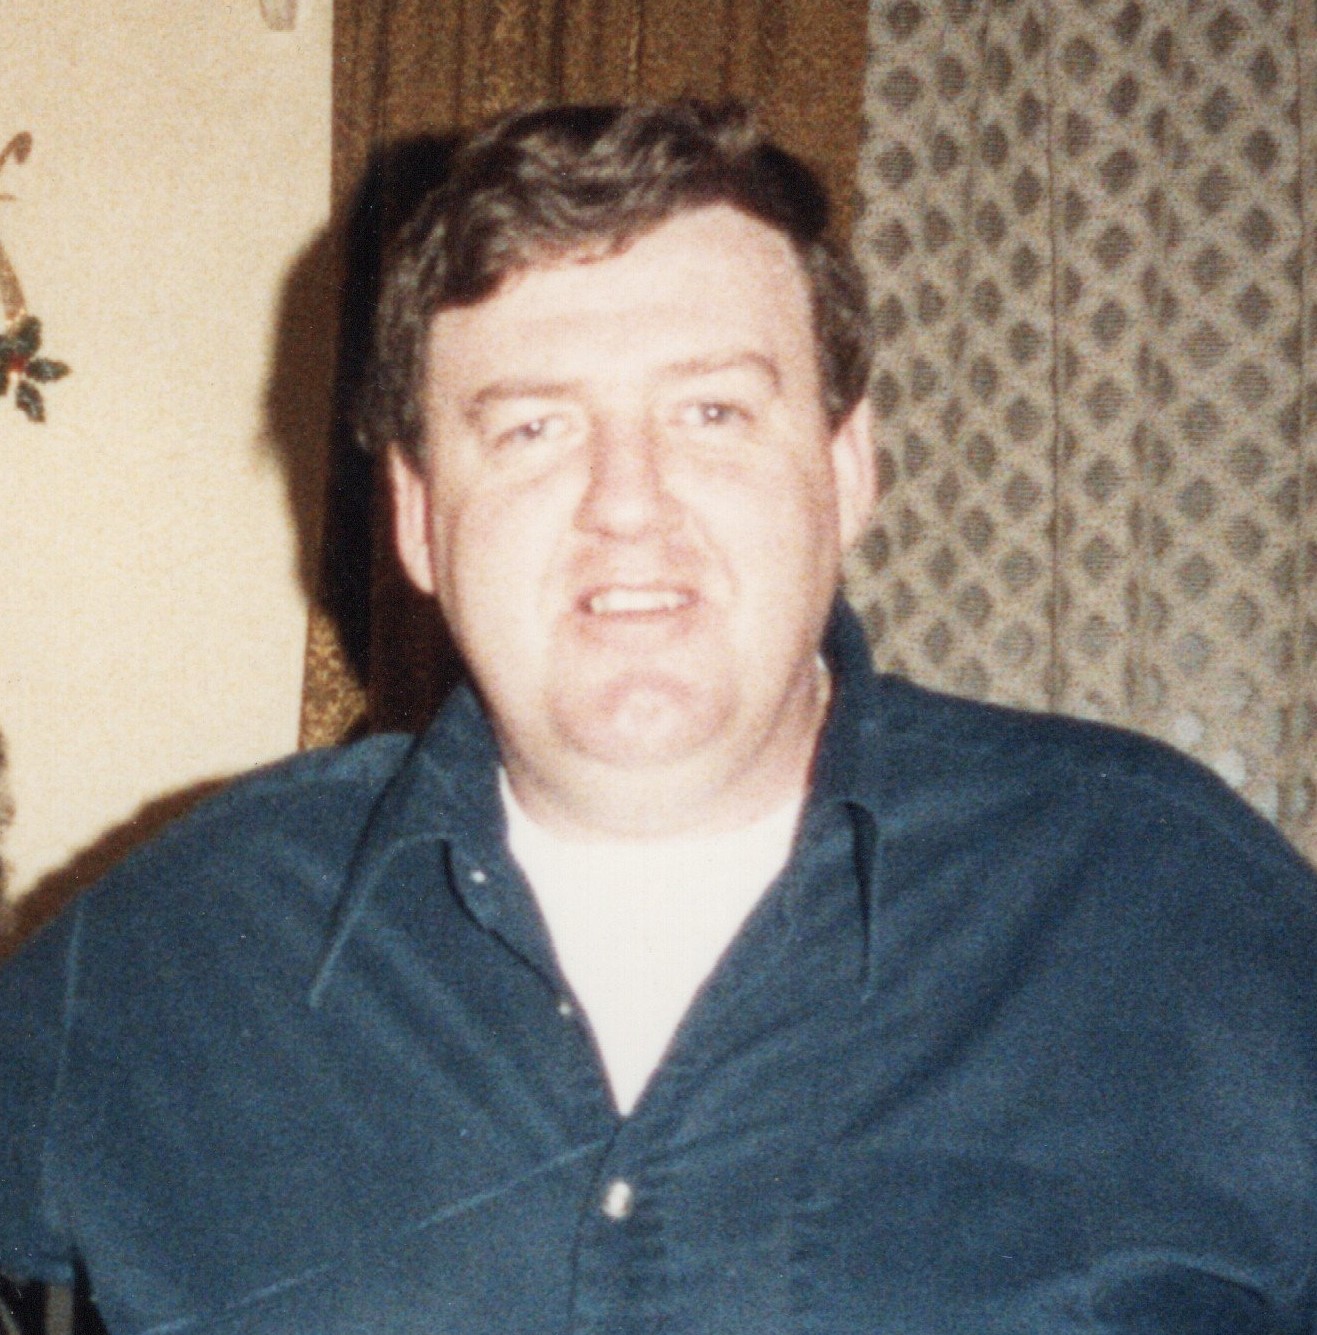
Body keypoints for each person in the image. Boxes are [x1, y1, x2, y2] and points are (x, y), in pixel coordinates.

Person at [3, 101, 1317, 1335]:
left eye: (710, 412)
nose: (626, 503)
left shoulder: (1167, 895)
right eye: (532, 430)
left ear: (848, 468)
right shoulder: (174, 950)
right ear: (415, 516)